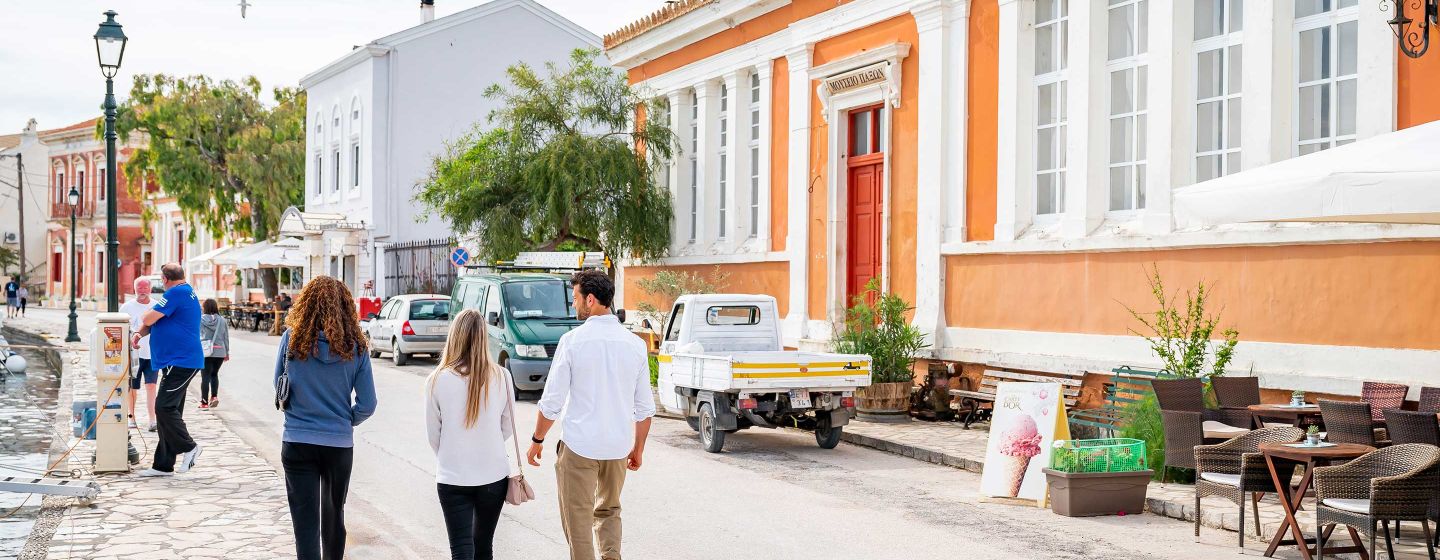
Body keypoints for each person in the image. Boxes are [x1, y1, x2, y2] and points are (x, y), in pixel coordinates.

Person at [526, 270, 654, 560]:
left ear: (591, 299)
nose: (574, 305)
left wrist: (537, 439)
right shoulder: (635, 345)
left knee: (578, 519)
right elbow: (645, 409)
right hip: (617, 448)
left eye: (575, 299)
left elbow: (552, 402)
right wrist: (638, 449)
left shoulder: (572, 341)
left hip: (579, 447)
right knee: (610, 511)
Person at [276, 275, 376, 560]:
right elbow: (368, 404)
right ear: (346, 306)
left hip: (297, 440)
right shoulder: (357, 346)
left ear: (305, 305)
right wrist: (346, 420)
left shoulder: (291, 340)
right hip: (338, 445)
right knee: (334, 516)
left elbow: (279, 385)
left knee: (304, 522)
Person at [426, 308, 515, 560]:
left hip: (452, 475)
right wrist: (486, 442)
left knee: (461, 549)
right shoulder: (502, 377)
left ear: (454, 337)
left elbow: (434, 434)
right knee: (484, 545)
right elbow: (507, 426)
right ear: (483, 338)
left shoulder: (436, 380)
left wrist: (453, 452)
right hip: (493, 475)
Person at [134, 264, 205, 477]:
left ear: (164, 279)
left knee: (163, 408)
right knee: (170, 411)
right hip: (176, 361)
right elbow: (154, 322)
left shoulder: (175, 293)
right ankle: (163, 465)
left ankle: (190, 447)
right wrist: (139, 333)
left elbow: (148, 318)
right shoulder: (184, 292)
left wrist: (146, 318)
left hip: (182, 362)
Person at [119, 278, 159, 431]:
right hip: (133, 354)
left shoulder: (156, 306)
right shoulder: (126, 307)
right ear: (134, 288)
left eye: (145, 288)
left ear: (150, 289)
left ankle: (152, 420)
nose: (142, 291)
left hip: (152, 353)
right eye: (139, 288)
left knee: (151, 386)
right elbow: (121, 330)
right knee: (132, 387)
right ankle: (132, 417)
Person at [199, 298, 231, 409]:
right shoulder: (222, 320)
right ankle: (214, 397)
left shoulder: (200, 320)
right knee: (214, 374)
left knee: (205, 377)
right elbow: (225, 337)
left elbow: (197, 335)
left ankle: (204, 402)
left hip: (206, 351)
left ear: (205, 307)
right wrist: (227, 352)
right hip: (220, 351)